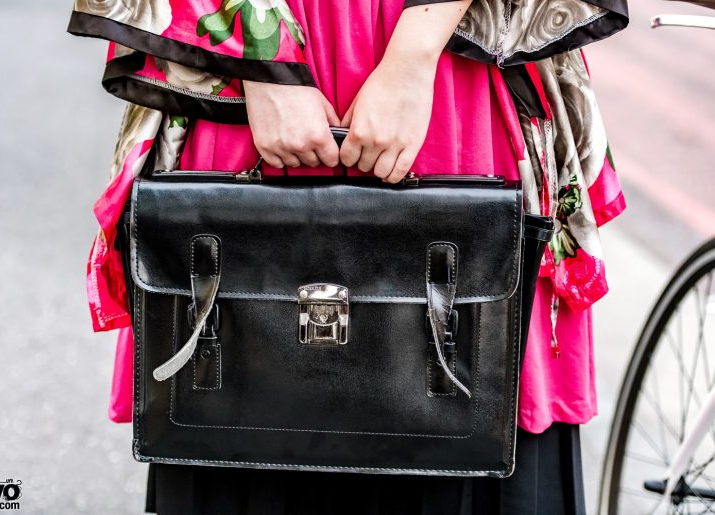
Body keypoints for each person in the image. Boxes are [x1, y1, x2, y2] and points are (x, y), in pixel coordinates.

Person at [67, 0, 629, 513]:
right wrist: (261, 57)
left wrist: (413, 56)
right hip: (246, 58)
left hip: (445, 60)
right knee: (226, 398)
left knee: (477, 384)